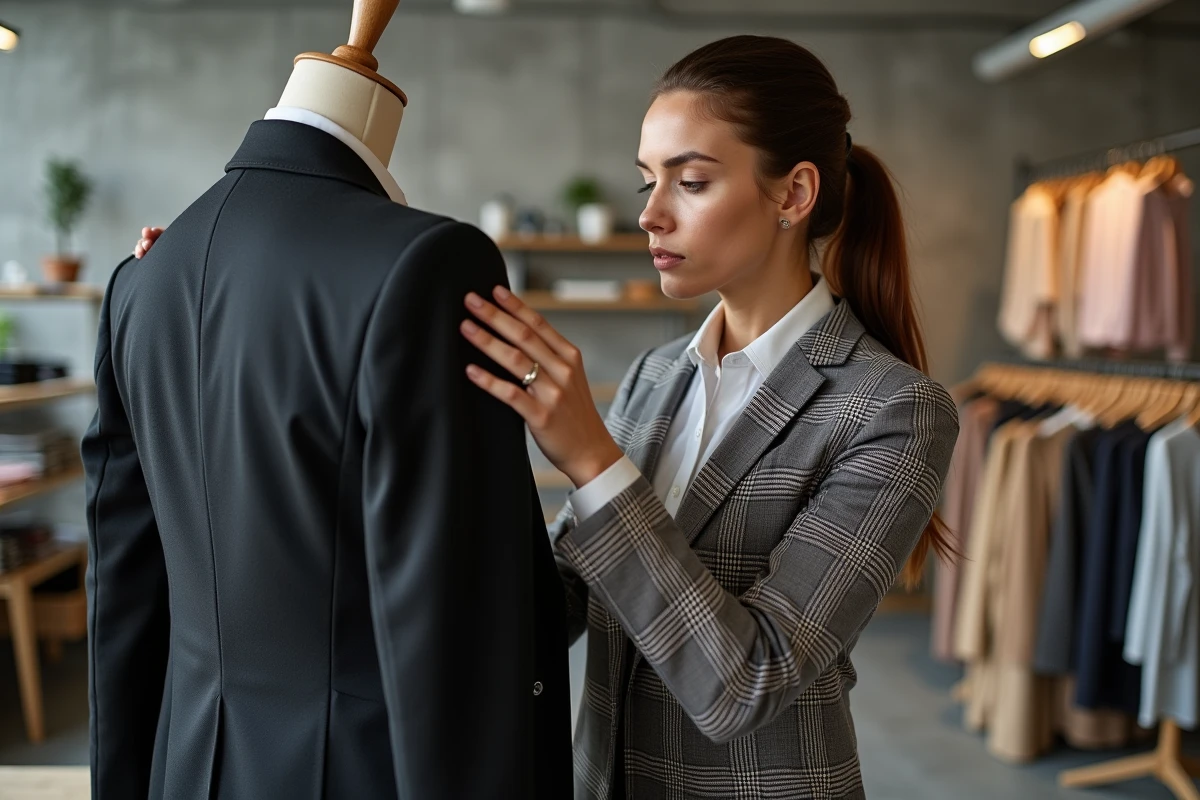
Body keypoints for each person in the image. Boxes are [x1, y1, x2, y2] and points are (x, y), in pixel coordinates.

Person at [137, 34, 959, 800]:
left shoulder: (894, 411)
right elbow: (553, 605)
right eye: (648, 179)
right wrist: (236, 281)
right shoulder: (656, 377)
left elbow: (748, 683)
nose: (651, 213)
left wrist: (594, 462)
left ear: (795, 193)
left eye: (692, 180)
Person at [92, 110, 571, 797]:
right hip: (354, 769)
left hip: (185, 760)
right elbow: (453, 622)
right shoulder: (430, 263)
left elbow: (120, 582)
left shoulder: (141, 276)